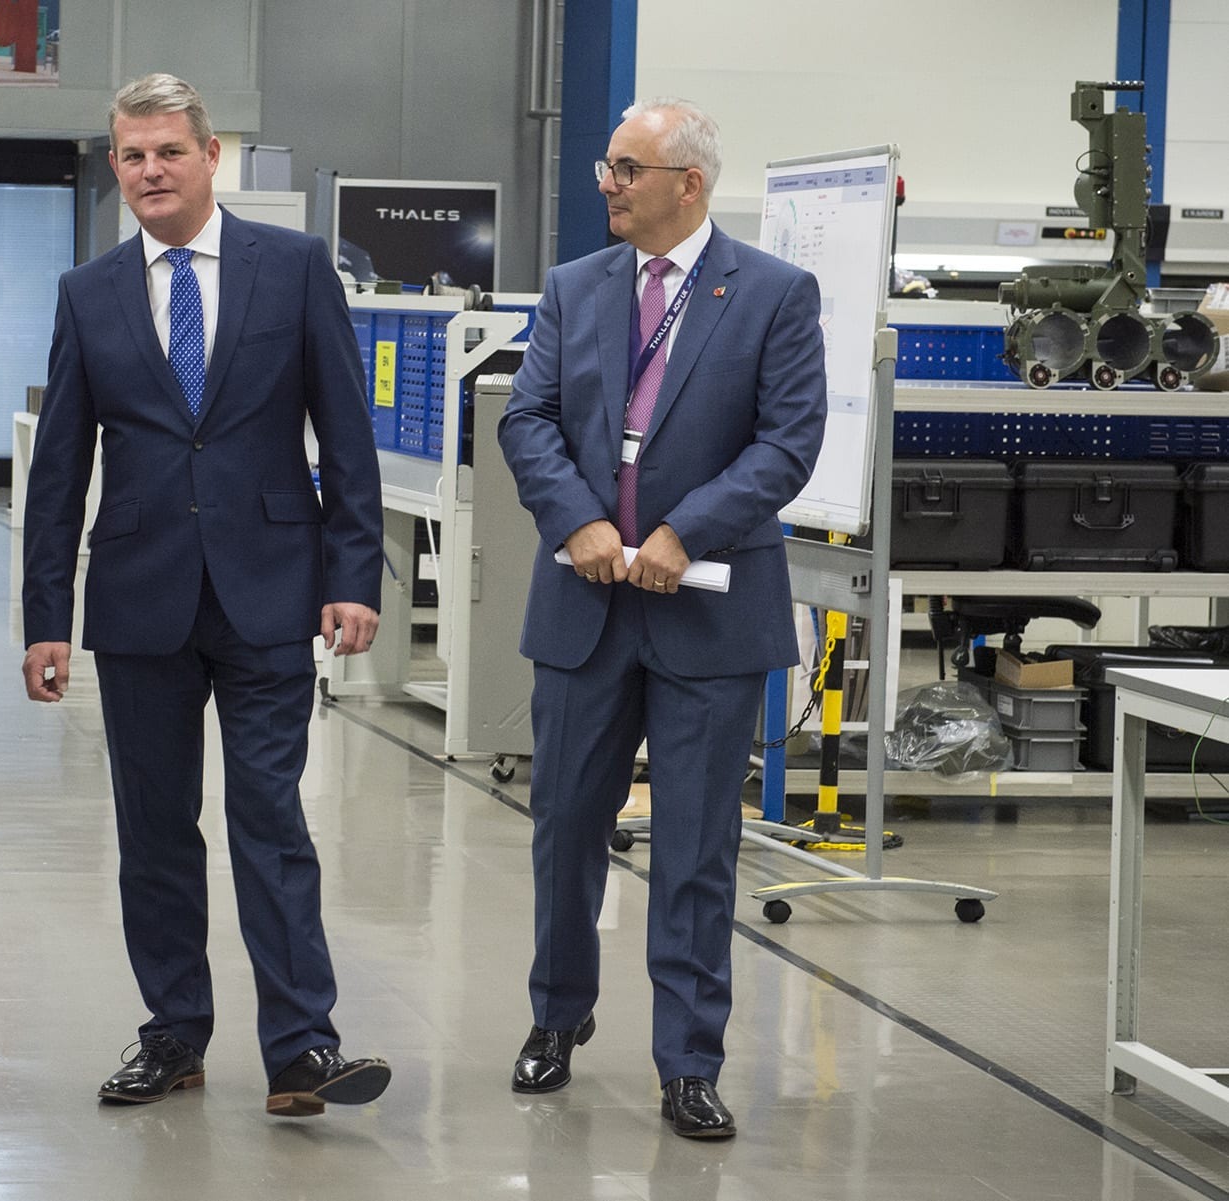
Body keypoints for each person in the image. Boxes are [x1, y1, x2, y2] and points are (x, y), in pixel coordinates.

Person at [20, 73, 391, 1118]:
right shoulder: (87, 292)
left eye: (165, 153)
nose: (146, 171)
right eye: (129, 156)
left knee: (270, 817)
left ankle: (300, 1050)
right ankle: (172, 1033)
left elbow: (345, 438)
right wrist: (46, 615)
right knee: (153, 827)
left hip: (270, 589)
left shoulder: (293, 268)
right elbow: (58, 467)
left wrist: (350, 575)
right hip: (139, 600)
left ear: (207, 154)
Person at [498, 97, 826, 1138]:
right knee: (563, 831)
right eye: (607, 166)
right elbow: (527, 418)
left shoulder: (771, 293)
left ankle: (688, 1060)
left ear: (687, 183)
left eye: (626, 168)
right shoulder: (572, 287)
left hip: (707, 612)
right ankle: (556, 1017)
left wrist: (686, 530)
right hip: (585, 603)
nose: (608, 183)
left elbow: (786, 442)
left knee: (693, 846)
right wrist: (578, 520)